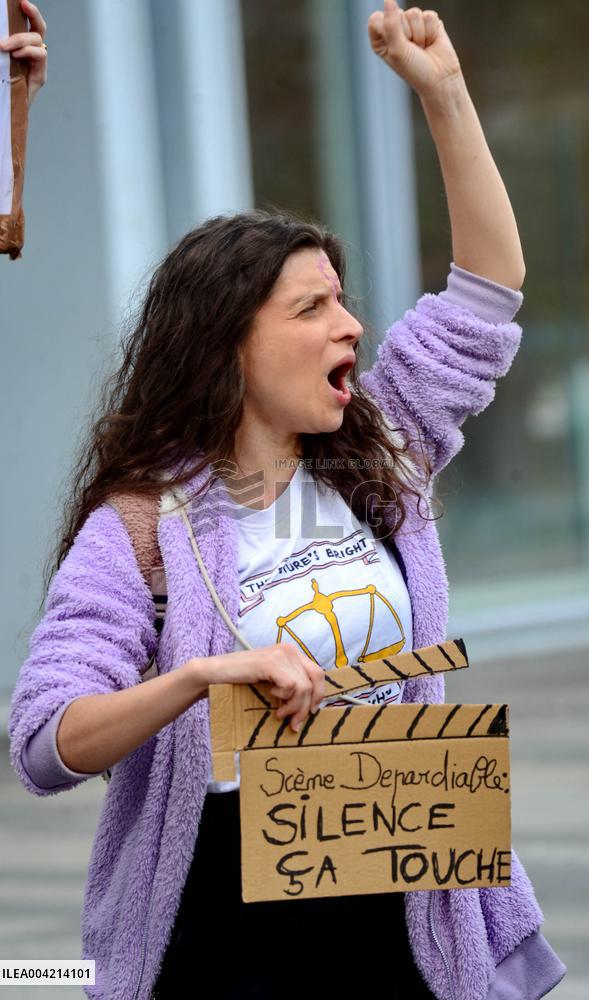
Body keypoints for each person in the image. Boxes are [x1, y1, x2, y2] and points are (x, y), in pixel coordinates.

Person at [7, 2, 567, 999]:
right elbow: (45, 742)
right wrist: (199, 678)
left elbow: (487, 292)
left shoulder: (381, 455)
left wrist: (443, 92)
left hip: (408, 910)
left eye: (342, 300)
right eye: (312, 307)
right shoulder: (141, 527)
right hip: (227, 931)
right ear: (227, 348)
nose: (351, 324)